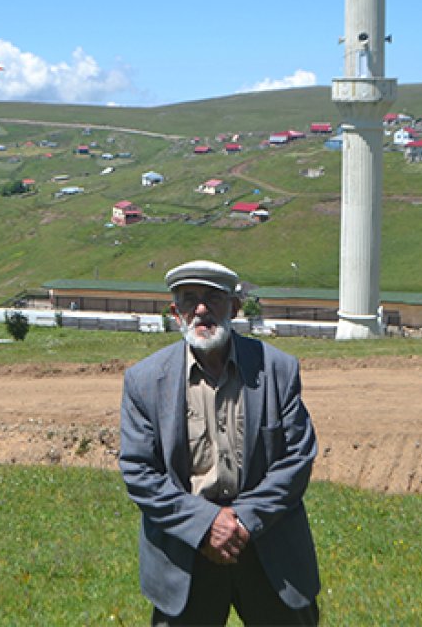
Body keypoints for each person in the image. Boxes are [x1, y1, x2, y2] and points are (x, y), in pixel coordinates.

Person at [119, 260, 321, 626]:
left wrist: (242, 521)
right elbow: (139, 471)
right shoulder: (145, 381)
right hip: (187, 551)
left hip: (268, 547)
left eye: (213, 298)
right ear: (175, 312)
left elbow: (297, 458)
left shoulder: (277, 370)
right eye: (189, 299)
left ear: (234, 308)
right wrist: (204, 524)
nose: (201, 309)